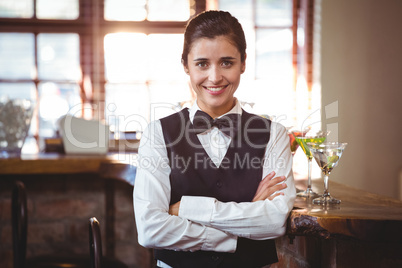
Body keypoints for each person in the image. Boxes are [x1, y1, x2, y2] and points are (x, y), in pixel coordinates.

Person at [133, 10, 296, 268]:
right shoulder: (157, 133)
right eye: (202, 64)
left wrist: (185, 210)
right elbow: (150, 229)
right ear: (186, 65)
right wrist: (241, 226)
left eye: (226, 62)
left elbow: (274, 221)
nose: (215, 77)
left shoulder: (273, 134)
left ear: (243, 62)